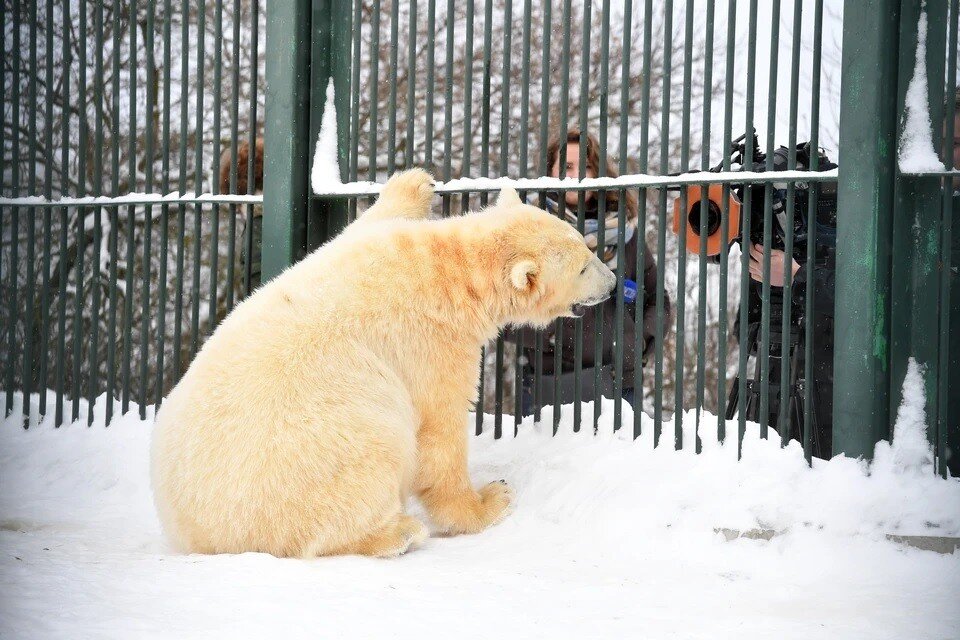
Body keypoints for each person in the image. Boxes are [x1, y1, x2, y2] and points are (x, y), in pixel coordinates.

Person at [506, 129, 668, 416]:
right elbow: (498, 306)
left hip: (619, 383)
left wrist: (638, 341)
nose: (576, 176)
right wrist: (550, 333)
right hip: (550, 381)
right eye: (566, 167)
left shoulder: (625, 233)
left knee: (616, 462)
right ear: (551, 172)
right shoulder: (527, 229)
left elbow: (657, 299)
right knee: (545, 462)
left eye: (586, 167)